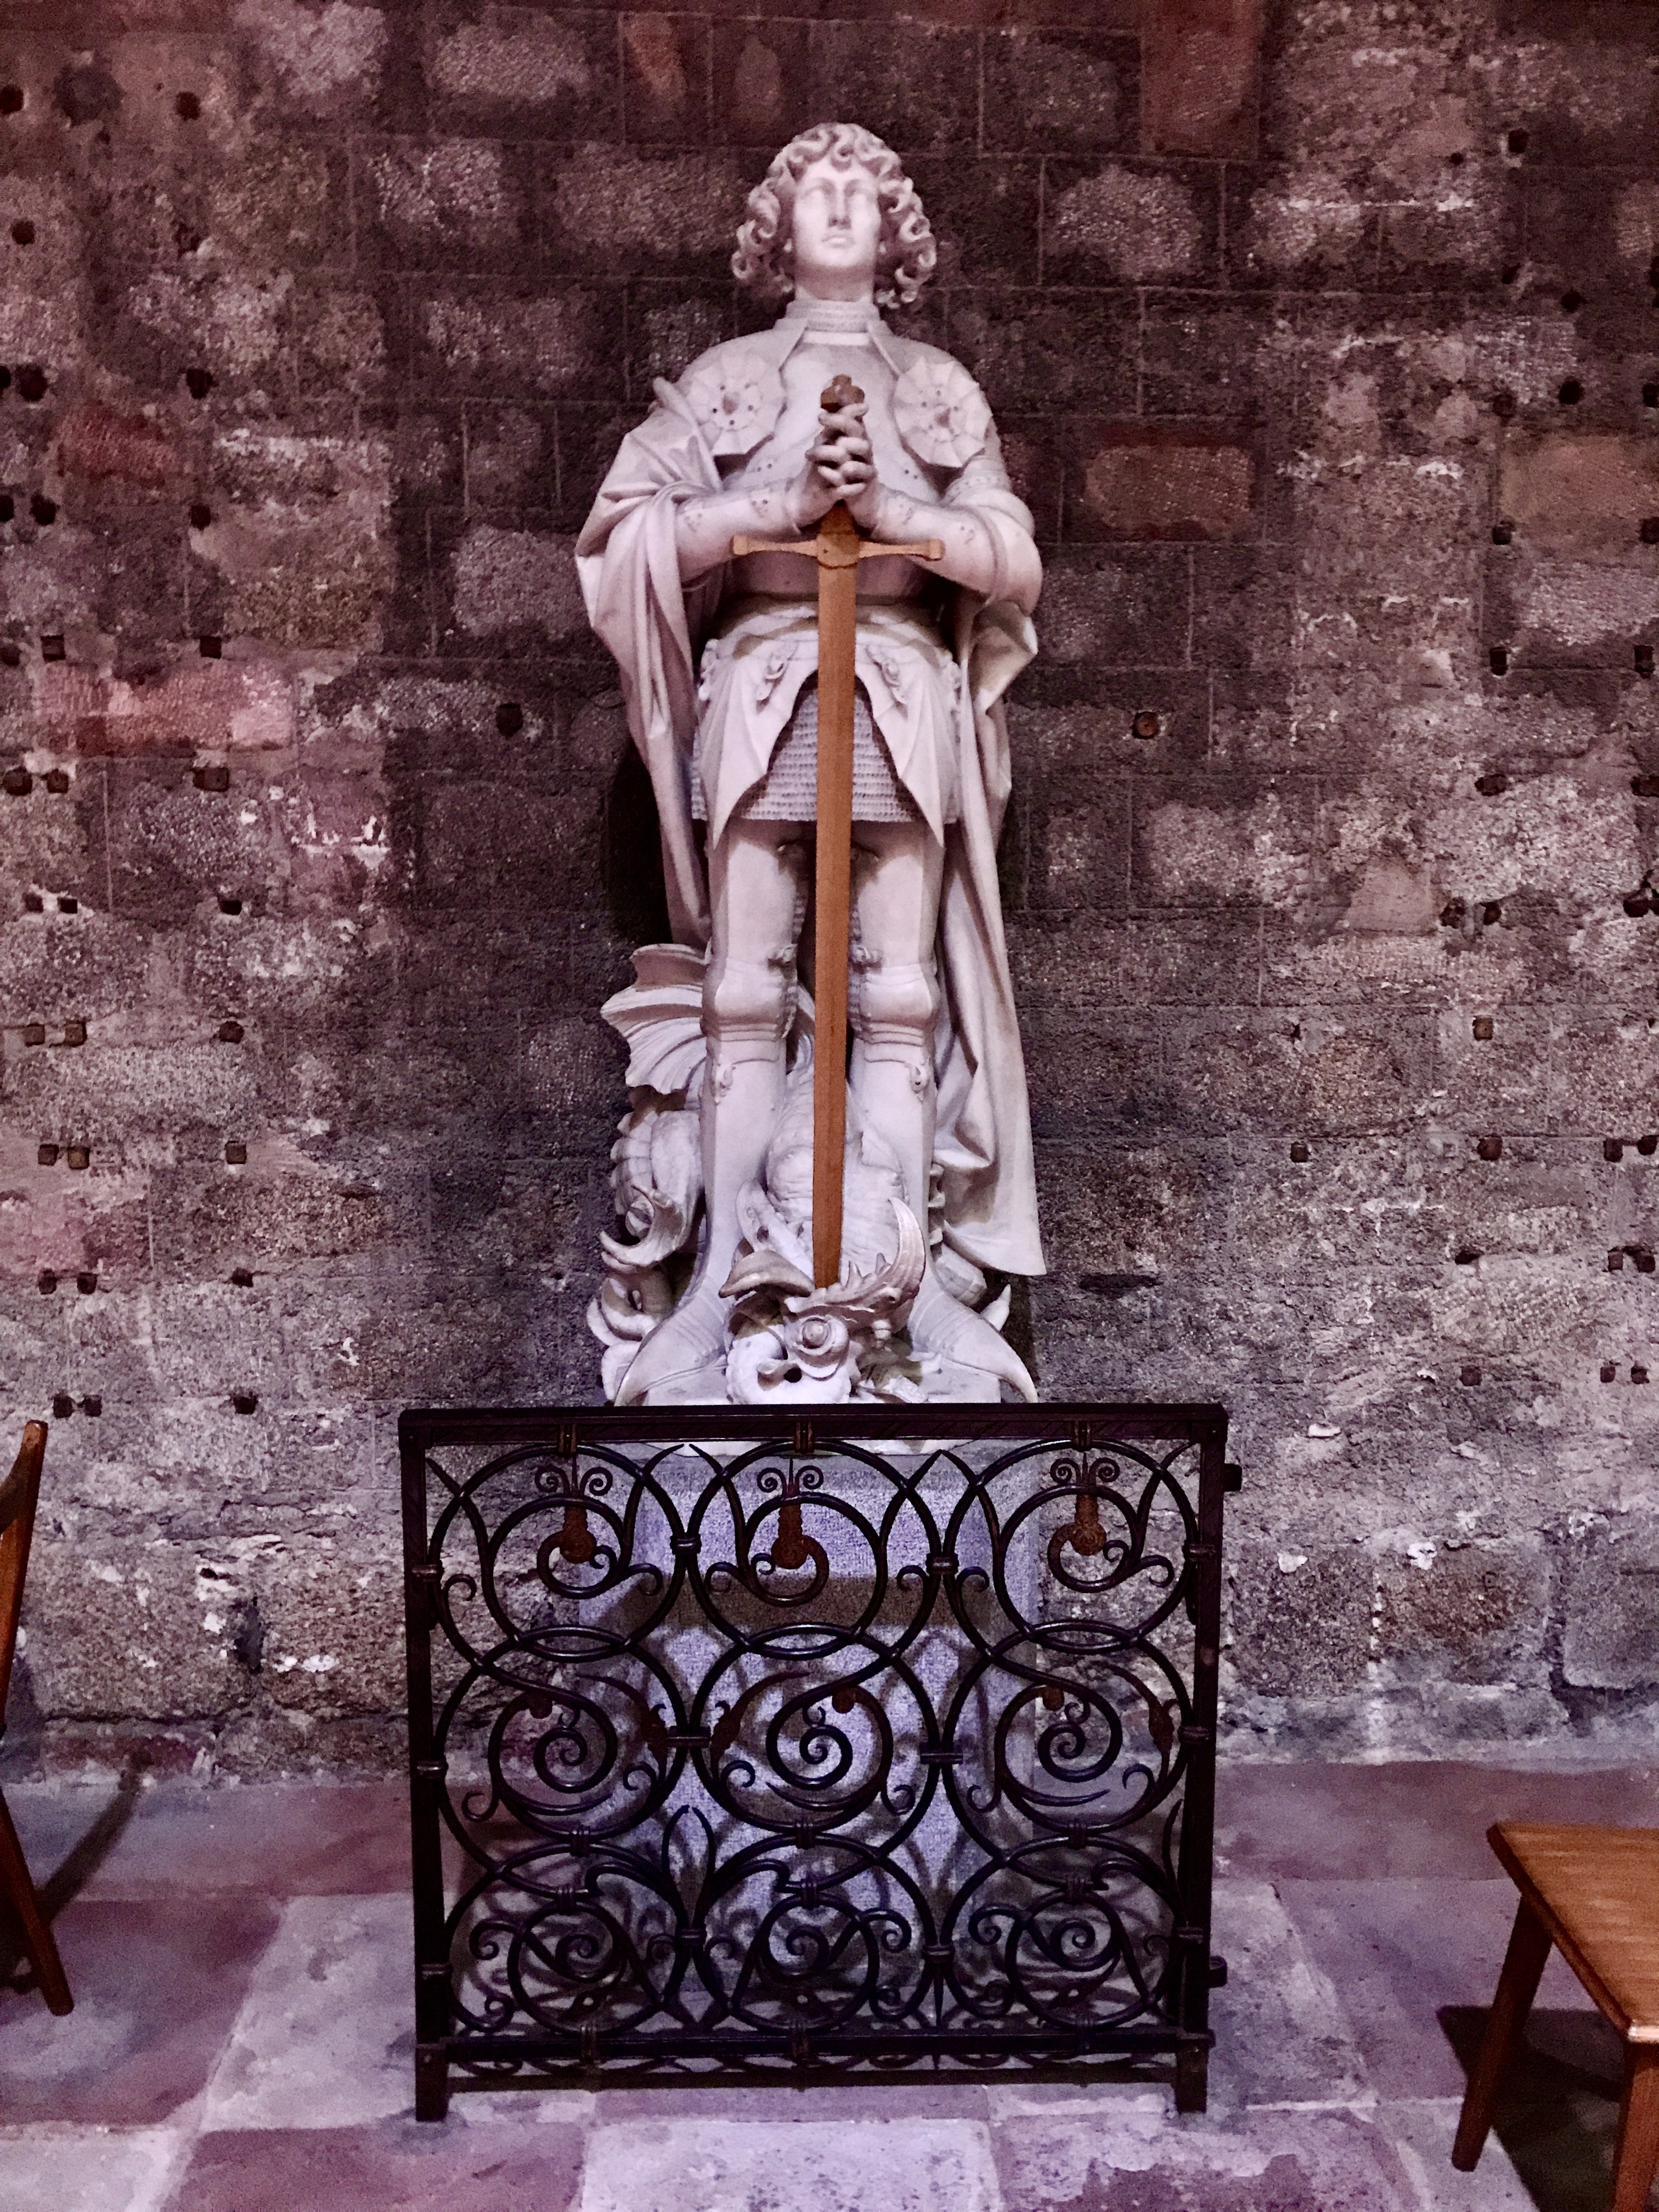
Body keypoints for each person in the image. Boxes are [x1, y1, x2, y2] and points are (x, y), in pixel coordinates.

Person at [577, 121, 1045, 1404]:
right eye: (816, 188)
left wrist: (894, 516)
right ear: (775, 228)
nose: (839, 205)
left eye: (862, 190)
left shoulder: (936, 388)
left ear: (896, 234)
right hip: (765, 685)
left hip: (897, 693)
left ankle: (886, 1301)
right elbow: (621, 544)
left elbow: (1013, 559)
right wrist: (773, 513)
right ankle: (728, 1290)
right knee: (743, 993)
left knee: (898, 999)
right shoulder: (726, 380)